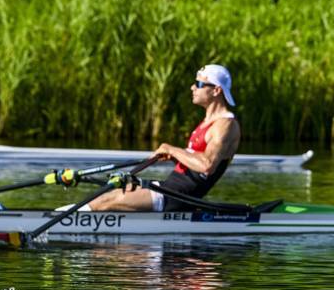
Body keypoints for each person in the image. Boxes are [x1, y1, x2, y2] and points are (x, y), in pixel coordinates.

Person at [90, 65, 241, 212]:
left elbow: (207, 166)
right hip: (169, 188)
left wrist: (171, 149)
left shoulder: (225, 125)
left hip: (178, 197)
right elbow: (196, 165)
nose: (192, 88)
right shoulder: (207, 122)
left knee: (105, 202)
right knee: (105, 196)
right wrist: (174, 157)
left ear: (216, 90)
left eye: (198, 84)